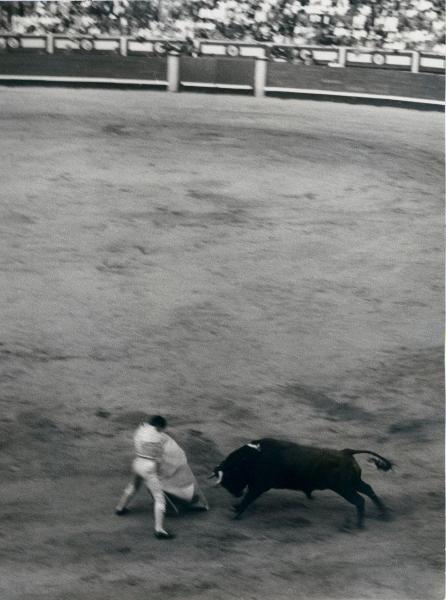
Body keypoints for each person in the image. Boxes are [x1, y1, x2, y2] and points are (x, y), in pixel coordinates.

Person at [115, 415, 208, 540]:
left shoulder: (140, 430)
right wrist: (160, 473)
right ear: (159, 426)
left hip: (137, 463)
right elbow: (158, 459)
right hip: (149, 468)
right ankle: (159, 530)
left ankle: (120, 508)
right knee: (160, 499)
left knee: (133, 485)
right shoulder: (158, 438)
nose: (162, 431)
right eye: (161, 428)